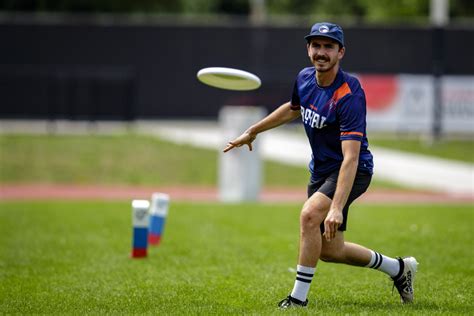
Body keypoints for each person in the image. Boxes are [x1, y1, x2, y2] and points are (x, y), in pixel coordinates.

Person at [223, 22, 418, 308]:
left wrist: (336, 207)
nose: (321, 52)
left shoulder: (349, 94)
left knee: (309, 216)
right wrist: (253, 130)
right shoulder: (304, 78)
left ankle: (297, 300)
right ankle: (399, 269)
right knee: (330, 250)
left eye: (329, 46)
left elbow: (351, 157)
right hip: (321, 170)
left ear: (341, 52)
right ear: (308, 49)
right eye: (316, 45)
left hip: (353, 170)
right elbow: (293, 109)